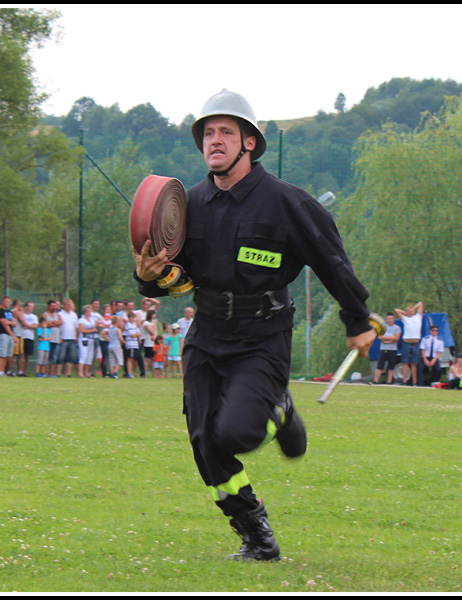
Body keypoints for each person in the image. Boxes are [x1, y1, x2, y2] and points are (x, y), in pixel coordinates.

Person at [133, 89, 375, 562]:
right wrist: (149, 279)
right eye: (208, 132)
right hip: (206, 336)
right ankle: (255, 533)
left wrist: (356, 319)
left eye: (226, 131)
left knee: (237, 434)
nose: (214, 140)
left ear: (249, 142)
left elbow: (332, 262)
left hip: (262, 337)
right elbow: (173, 277)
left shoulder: (286, 203)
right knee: (206, 444)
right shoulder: (188, 205)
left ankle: (279, 408)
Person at [395, 302, 424, 386]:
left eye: (412, 311)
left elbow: (420, 304)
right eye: (409, 311)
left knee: (414, 364)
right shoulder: (405, 318)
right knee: (405, 363)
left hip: (415, 343)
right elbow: (396, 310)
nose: (411, 313)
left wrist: (413, 309)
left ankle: (414, 382)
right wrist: (406, 313)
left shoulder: (418, 317)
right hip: (406, 342)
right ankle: (404, 381)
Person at [373, 313, 401, 384]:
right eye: (388, 319)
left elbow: (396, 338)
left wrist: (386, 339)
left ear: (393, 319)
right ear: (386, 319)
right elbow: (380, 337)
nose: (390, 320)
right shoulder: (383, 327)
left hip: (392, 350)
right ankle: (375, 381)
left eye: (391, 318)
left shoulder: (397, 328)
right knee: (380, 366)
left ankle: (389, 382)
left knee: (391, 367)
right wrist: (391, 339)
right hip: (383, 349)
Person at [0, 296, 18, 376]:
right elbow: (4, 324)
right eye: (7, 302)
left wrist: (9, 322)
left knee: (7, 355)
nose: (9, 303)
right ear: (3, 302)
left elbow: (14, 323)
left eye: (9, 302)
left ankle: (3, 371)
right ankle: (0, 371)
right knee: (2, 354)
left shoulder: (9, 312)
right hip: (3, 334)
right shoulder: (0, 312)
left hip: (10, 335)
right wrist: (13, 335)